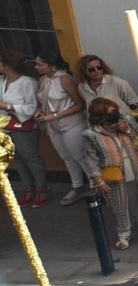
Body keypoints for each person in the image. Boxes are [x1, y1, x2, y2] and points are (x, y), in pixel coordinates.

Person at [82, 98, 138, 251]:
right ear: (100, 116)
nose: (115, 115)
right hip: (113, 173)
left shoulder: (125, 122)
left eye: (115, 111)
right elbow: (90, 159)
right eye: (111, 113)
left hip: (136, 167)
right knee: (119, 204)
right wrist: (98, 181)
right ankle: (124, 233)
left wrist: (127, 130)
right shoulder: (91, 134)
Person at [32, 53, 91, 205]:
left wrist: (55, 115)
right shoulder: (43, 80)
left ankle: (96, 186)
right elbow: (43, 100)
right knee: (66, 157)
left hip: (72, 124)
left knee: (80, 156)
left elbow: (80, 105)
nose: (36, 67)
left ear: (52, 66)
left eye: (40, 64)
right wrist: (40, 110)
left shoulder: (65, 80)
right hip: (52, 124)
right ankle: (77, 186)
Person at [0, 49, 47, 207]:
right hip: (5, 125)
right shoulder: (1, 81)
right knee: (17, 159)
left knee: (31, 157)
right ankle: (28, 188)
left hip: (24, 126)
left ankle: (41, 188)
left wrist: (7, 106)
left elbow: (32, 106)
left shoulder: (27, 82)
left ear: (6, 65)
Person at [75, 55, 138, 124]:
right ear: (84, 71)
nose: (97, 71)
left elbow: (133, 101)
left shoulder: (116, 82)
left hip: (122, 123)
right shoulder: (82, 87)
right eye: (91, 70)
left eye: (99, 68)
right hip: (98, 126)